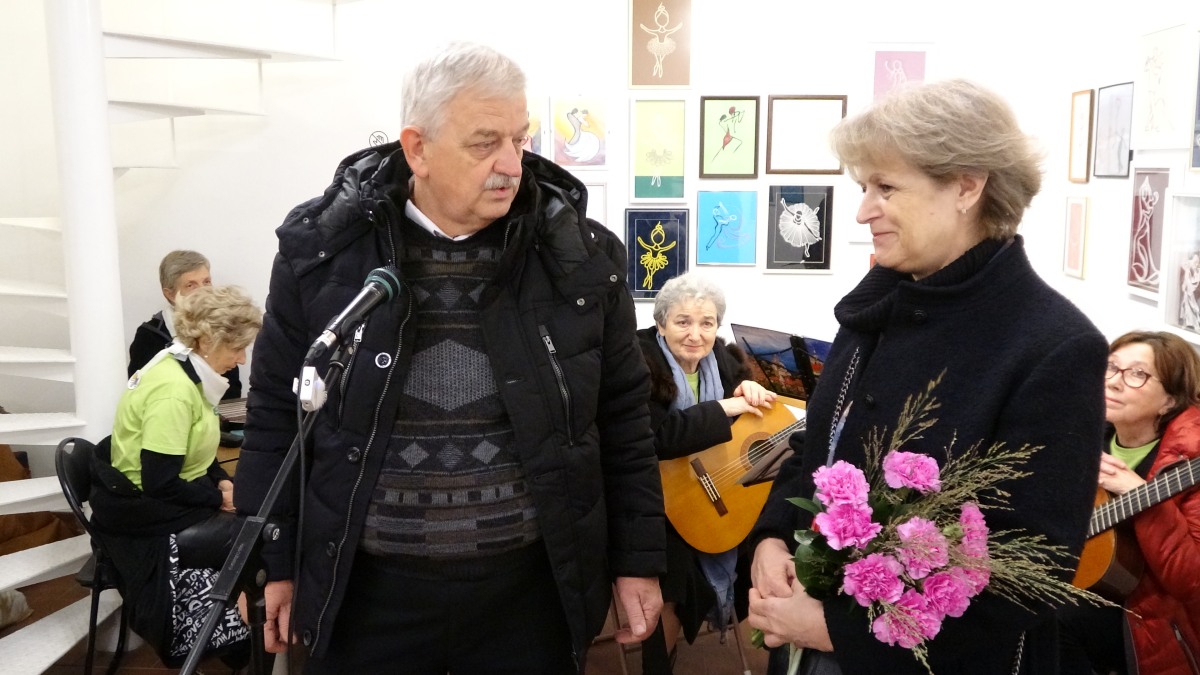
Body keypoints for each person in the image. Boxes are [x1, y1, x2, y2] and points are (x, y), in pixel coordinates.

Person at [234, 42, 665, 674]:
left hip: (528, 597)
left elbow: (624, 417)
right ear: (418, 149)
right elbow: (277, 411)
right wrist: (272, 561)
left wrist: (637, 559)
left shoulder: (577, 256)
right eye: (485, 143)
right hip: (366, 596)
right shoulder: (326, 252)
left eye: (520, 139)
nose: (512, 164)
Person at [745, 78, 1108, 674]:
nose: (863, 211)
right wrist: (773, 536)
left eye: (886, 187)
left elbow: (1032, 570)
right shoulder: (877, 309)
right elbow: (819, 448)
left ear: (967, 185)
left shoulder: (1052, 346)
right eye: (864, 187)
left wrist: (841, 633)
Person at [90, 285, 261, 666]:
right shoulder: (173, 391)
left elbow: (194, 450)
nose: (242, 358)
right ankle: (238, 643)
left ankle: (238, 640)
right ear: (207, 340)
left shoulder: (184, 367)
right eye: (237, 348)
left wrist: (221, 480)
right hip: (144, 514)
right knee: (258, 535)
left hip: (158, 497)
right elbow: (160, 483)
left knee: (254, 519)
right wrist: (218, 499)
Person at [635, 272, 776, 673]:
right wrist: (725, 409)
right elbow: (657, 436)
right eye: (683, 322)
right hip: (650, 499)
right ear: (661, 324)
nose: (696, 334)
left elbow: (755, 426)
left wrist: (750, 391)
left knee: (768, 536)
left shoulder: (727, 363)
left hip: (713, 491)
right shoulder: (638, 362)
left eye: (707, 323)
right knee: (672, 575)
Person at [1058, 330, 1200, 675]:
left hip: (1156, 619)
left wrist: (1138, 493)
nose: (1114, 382)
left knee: (1054, 619)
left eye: (1137, 374)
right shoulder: (1088, 433)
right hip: (1089, 587)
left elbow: (1192, 578)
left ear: (1169, 401)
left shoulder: (1189, 463)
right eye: (1111, 367)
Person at [128, 250, 243, 400]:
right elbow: (138, 392)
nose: (204, 291)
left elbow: (232, 391)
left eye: (206, 282)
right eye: (191, 285)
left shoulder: (222, 327)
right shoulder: (149, 336)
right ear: (169, 294)